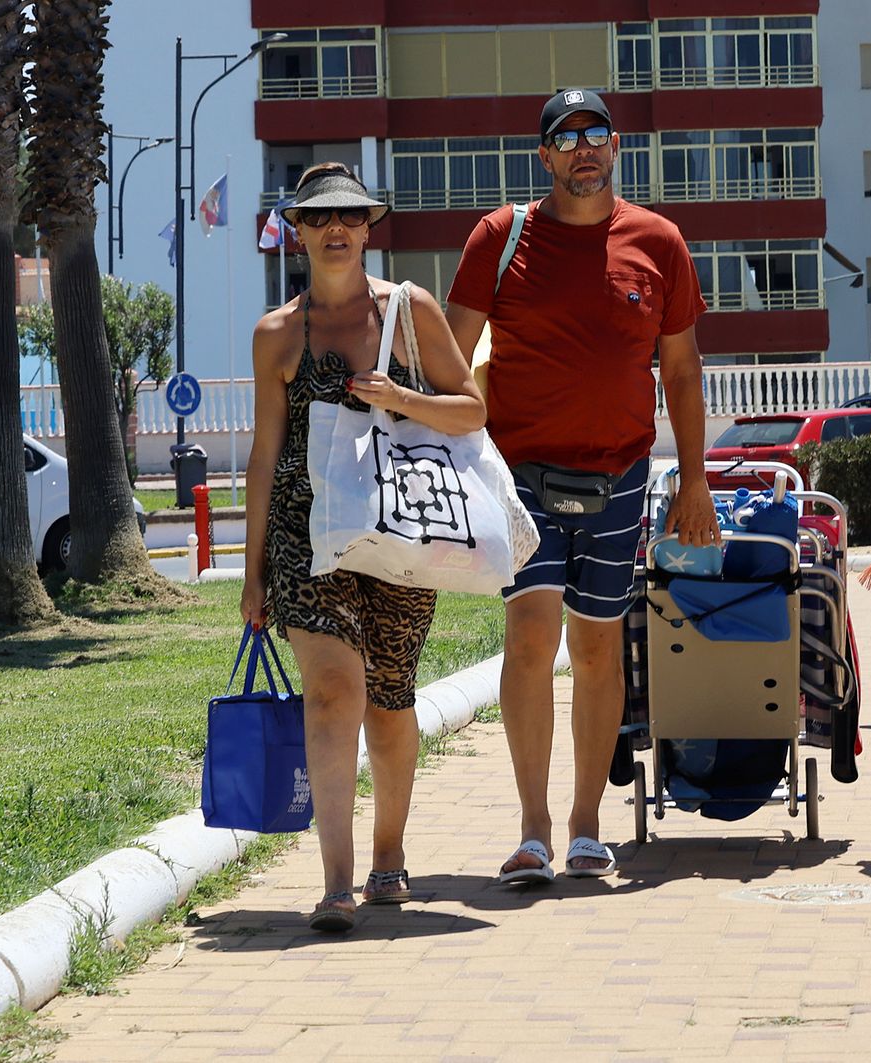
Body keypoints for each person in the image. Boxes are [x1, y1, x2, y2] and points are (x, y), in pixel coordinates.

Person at [444, 89, 715, 883]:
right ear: (546, 157)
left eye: (597, 133)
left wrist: (693, 478)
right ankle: (533, 831)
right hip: (520, 473)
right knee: (530, 640)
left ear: (616, 147)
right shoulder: (500, 237)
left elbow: (685, 371)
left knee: (597, 647)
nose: (584, 147)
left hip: (622, 475)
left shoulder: (658, 241)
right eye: (567, 138)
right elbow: (452, 358)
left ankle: (587, 825)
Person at [242, 163, 487, 931]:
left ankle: (389, 856)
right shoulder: (277, 333)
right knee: (333, 688)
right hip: (306, 536)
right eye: (321, 219)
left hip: (403, 535)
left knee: (387, 699)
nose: (337, 229)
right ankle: (336, 880)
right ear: (299, 230)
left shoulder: (410, 311)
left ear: (369, 226)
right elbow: (262, 452)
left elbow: (473, 410)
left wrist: (401, 397)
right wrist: (252, 573)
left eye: (350, 215)